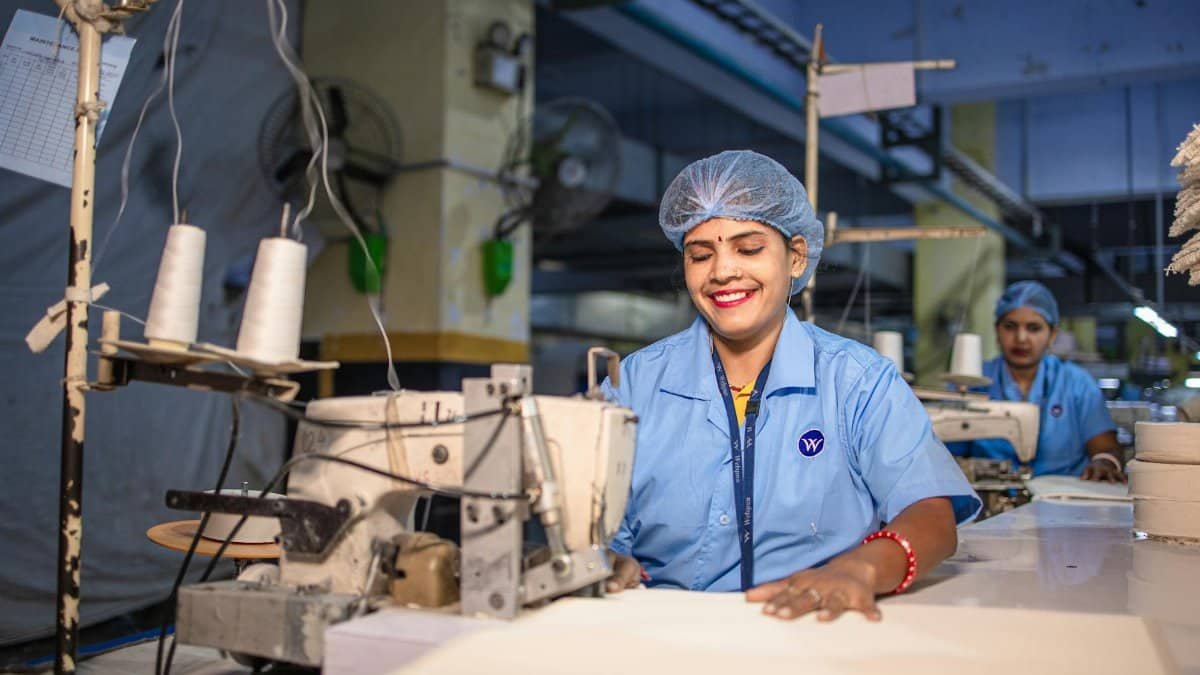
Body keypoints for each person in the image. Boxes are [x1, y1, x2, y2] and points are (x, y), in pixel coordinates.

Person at [602, 150, 980, 622]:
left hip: (812, 629)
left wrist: (860, 569)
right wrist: (605, 559)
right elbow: (589, 513)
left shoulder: (857, 383)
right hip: (661, 633)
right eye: (701, 255)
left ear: (796, 257)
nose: (722, 272)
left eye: (749, 248)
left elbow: (931, 514)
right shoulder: (634, 383)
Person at [953, 281, 1125, 482]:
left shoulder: (1076, 384)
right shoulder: (971, 382)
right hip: (989, 497)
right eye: (1010, 327)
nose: (1021, 338)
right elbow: (948, 452)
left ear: (1052, 335)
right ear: (997, 331)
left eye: (1033, 328)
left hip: (1064, 502)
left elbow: (1106, 447)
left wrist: (1104, 462)